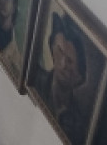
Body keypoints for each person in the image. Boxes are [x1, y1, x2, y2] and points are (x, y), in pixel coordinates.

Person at [33, 13, 89, 145]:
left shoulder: (78, 124)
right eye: (59, 50)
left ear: (79, 77)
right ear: (52, 47)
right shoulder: (34, 79)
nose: (63, 64)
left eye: (70, 61)